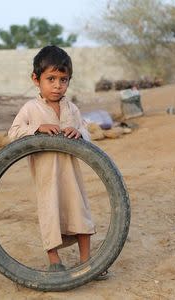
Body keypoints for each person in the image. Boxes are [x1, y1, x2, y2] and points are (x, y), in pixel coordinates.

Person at [8, 46, 108, 280]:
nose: (57, 85)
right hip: (46, 176)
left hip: (71, 175)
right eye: (50, 79)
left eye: (63, 80)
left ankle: (87, 261)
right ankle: (54, 261)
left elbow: (87, 133)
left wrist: (78, 132)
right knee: (50, 214)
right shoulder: (30, 109)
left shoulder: (71, 108)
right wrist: (36, 129)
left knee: (80, 213)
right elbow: (13, 133)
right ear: (36, 79)